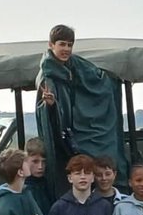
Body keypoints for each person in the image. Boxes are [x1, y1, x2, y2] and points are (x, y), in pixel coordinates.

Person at [35, 24, 127, 193]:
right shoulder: (48, 76)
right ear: (51, 45)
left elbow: (99, 81)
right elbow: (47, 120)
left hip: (82, 129)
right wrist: (50, 106)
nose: (66, 49)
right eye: (62, 44)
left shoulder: (77, 65)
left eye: (69, 45)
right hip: (66, 139)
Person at [23, 138, 55, 215]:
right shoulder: (22, 188)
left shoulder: (46, 183)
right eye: (35, 161)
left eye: (43, 162)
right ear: (25, 160)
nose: (40, 166)